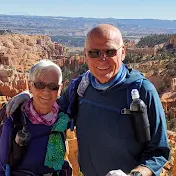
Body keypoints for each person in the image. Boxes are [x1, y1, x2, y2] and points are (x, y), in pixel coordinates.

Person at [5, 24, 170, 176]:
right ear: (85, 54)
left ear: (123, 52)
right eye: (94, 52)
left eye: (110, 51)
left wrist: (135, 174)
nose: (102, 59)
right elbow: (52, 109)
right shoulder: (81, 87)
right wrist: (28, 94)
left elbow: (158, 152)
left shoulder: (142, 91)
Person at [0, 60, 72, 176]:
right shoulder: (14, 122)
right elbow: (2, 168)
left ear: (59, 89)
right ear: (30, 86)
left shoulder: (63, 117)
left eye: (53, 86)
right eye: (39, 85)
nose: (46, 92)